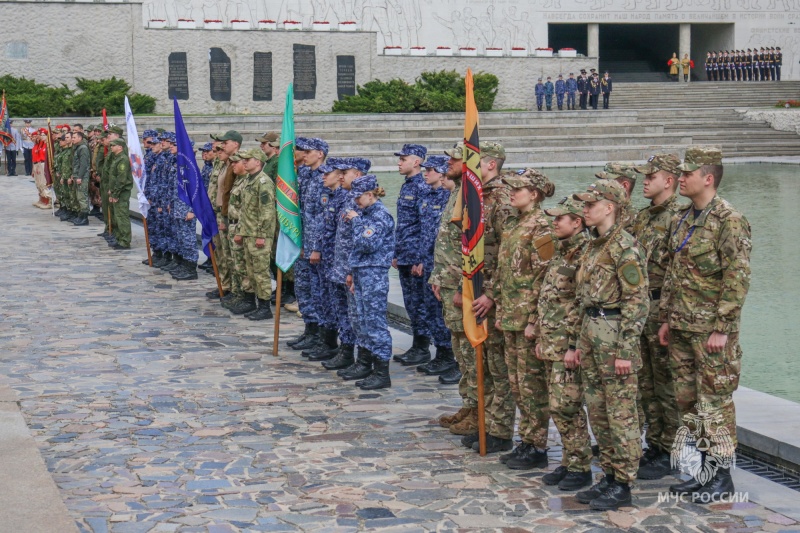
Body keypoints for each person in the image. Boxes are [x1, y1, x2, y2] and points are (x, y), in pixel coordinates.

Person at [658, 146, 751, 502]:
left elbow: (737, 278)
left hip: (710, 333)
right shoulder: (683, 217)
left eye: (687, 174)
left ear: (708, 178)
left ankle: (722, 477)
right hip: (682, 326)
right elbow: (673, 274)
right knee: (688, 403)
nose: (680, 179)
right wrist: (667, 317)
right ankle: (703, 471)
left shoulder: (729, 220)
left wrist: (722, 328)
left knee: (714, 404)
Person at [571, 179, 648, 511]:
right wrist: (577, 342)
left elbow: (637, 301)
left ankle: (624, 482)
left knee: (621, 414)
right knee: (599, 411)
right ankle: (609, 475)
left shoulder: (625, 247)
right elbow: (581, 300)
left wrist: (626, 351)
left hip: (614, 333)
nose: (585, 210)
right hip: (592, 331)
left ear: (610, 207)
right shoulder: (592, 245)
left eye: (590, 205)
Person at [494, 168, 556, 470]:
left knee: (532, 385)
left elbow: (546, 278)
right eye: (511, 187)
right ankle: (527, 440)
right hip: (510, 316)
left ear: (534, 194)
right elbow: (505, 271)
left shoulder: (542, 227)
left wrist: (534, 320)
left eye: (518, 188)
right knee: (518, 384)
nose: (511, 192)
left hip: (528, 320)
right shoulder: (512, 224)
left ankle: (537, 445)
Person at [630, 153, 683, 480]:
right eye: (644, 176)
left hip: (662, 308)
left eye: (652, 176)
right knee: (646, 383)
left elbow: (679, 272)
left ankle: (672, 449)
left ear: (670, 180)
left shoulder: (679, 217)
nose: (645, 181)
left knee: (667, 384)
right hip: (641, 309)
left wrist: (667, 316)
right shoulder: (644, 216)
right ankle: (656, 444)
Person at [537, 197, 593, 491]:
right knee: (557, 406)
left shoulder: (584, 254)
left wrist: (573, 346)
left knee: (567, 405)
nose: (554, 223)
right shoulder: (561, 252)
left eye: (560, 218)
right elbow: (549, 298)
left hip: (567, 345)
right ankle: (569, 461)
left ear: (577, 223)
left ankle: (581, 466)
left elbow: (581, 305)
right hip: (551, 341)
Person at [463, 141, 516, 454]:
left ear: (492, 164)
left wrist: (492, 293)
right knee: (488, 364)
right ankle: (489, 425)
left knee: (499, 369)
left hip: (493, 293)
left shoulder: (502, 199)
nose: (471, 168)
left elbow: (507, 254)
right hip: (479, 289)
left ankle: (500, 430)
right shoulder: (478, 196)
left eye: (476, 162)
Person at [345, 175, 396, 390]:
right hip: (362, 271)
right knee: (362, 320)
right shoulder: (366, 213)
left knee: (375, 323)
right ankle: (366, 364)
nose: (356, 202)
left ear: (369, 195)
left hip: (374, 273)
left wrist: (356, 220)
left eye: (359, 198)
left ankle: (382, 371)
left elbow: (367, 243)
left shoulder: (380, 216)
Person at [328, 157, 374, 375]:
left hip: (353, 268)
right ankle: (346, 350)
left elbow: (362, 239)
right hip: (341, 265)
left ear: (357, 175)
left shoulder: (363, 203)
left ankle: (357, 356)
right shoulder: (347, 198)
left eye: (344, 173)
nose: (340, 176)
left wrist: (351, 270)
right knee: (344, 312)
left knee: (356, 315)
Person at [392, 143, 433, 366]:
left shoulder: (422, 186)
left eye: (403, 158)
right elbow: (404, 225)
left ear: (416, 162)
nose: (399, 162)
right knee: (410, 303)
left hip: (416, 256)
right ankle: (417, 345)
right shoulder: (407, 185)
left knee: (419, 303)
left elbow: (425, 225)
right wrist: (397, 252)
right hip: (405, 254)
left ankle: (422, 347)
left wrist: (420, 258)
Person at [415, 154, 454, 376]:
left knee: (443, 313)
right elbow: (425, 232)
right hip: (429, 263)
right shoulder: (428, 196)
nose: (425, 173)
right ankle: (441, 353)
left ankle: (450, 356)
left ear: (441, 173)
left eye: (430, 170)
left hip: (443, 265)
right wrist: (421, 259)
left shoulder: (450, 198)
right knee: (431, 311)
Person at [232, 149, 277, 319]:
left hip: (259, 236)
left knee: (260, 272)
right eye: (243, 160)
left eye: (247, 159)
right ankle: (255, 302)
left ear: (258, 161)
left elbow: (266, 212)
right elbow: (245, 211)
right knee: (250, 271)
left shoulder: (263, 181)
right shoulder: (249, 180)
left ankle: (265, 307)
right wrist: (241, 232)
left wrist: (261, 235)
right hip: (248, 233)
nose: (244, 162)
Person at [596, 162, 640, 231]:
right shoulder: (595, 210)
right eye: (602, 180)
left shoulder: (635, 221)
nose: (601, 184)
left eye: (607, 181)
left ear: (624, 186)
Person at [107, 138, 134, 250]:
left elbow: (121, 179)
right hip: (116, 191)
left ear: (120, 147)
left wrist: (115, 194)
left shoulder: (122, 159)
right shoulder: (117, 158)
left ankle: (125, 241)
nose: (111, 147)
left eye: (114, 145)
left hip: (122, 192)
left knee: (122, 216)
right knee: (117, 216)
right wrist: (111, 190)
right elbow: (113, 177)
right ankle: (119, 238)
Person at [70, 131, 91, 226]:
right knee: (78, 196)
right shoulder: (78, 147)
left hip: (82, 176)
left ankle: (84, 217)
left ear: (80, 138)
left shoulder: (83, 148)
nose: (72, 139)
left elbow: (83, 164)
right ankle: (80, 215)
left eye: (74, 137)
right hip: (77, 175)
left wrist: (80, 176)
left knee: (82, 196)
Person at [32, 130, 49, 209]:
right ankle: (42, 199)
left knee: (43, 183)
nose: (41, 136)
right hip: (38, 164)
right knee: (39, 183)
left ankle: (48, 201)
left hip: (43, 164)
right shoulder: (39, 145)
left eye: (42, 135)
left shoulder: (47, 145)